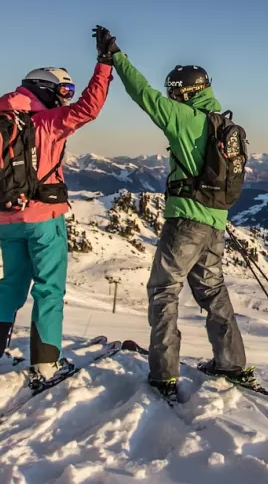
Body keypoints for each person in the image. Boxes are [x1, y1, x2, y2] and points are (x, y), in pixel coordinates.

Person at [105, 35, 253, 401]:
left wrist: (116, 58)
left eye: (173, 91)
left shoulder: (185, 118)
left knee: (164, 290)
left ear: (183, 93)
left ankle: (164, 374)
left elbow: (144, 95)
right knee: (212, 290)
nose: (169, 97)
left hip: (186, 220)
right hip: (215, 222)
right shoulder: (220, 122)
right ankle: (231, 363)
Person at [0, 28, 114, 377]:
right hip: (44, 218)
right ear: (45, 89)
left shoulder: (4, 120)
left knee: (12, 285)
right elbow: (89, 108)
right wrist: (104, 65)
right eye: (63, 91)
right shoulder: (46, 122)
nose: (66, 99)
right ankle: (46, 364)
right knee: (49, 290)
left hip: (8, 217)